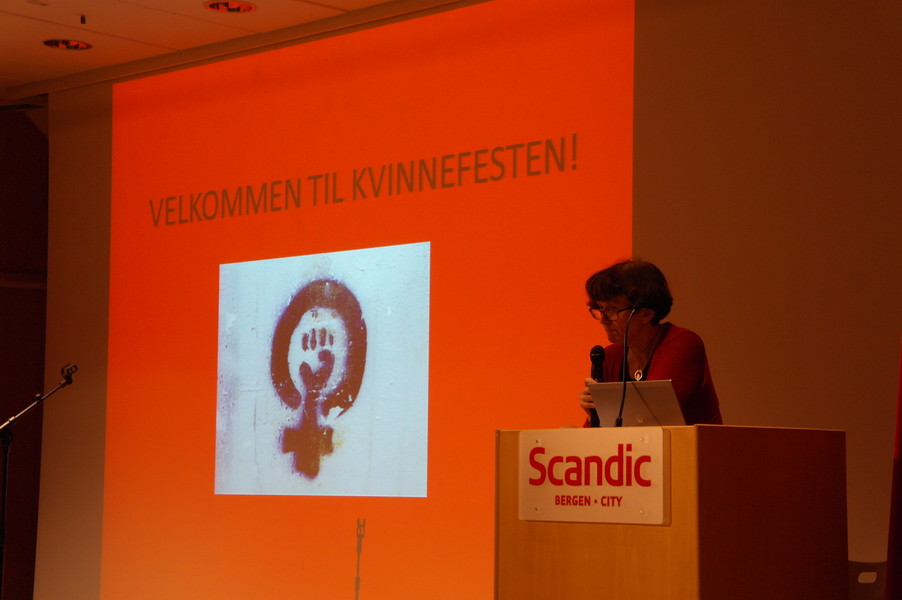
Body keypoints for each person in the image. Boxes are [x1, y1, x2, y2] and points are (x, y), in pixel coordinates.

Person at [580, 259, 722, 426]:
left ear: (646, 314)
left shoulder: (682, 343)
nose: (603, 320)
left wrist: (606, 413)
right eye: (600, 308)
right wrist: (594, 415)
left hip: (688, 443)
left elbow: (651, 419)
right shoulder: (610, 356)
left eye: (612, 309)